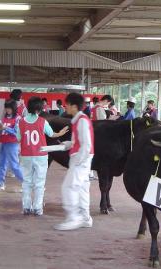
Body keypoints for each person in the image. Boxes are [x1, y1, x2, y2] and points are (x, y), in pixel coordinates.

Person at [17, 97, 68, 216]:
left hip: (25, 156)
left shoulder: (21, 122)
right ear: (40, 109)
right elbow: (52, 134)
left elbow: (18, 138)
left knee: (26, 182)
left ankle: (26, 207)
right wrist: (61, 133)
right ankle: (37, 208)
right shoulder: (42, 121)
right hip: (41, 155)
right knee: (39, 183)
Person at [54, 93, 94, 230]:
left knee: (68, 187)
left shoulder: (82, 120)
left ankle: (73, 217)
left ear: (74, 106)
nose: (65, 106)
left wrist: (78, 162)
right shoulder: (78, 120)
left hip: (80, 159)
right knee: (82, 189)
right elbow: (78, 141)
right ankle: (85, 217)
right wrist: (68, 144)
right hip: (81, 159)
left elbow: (86, 145)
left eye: (68, 104)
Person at [0, 99, 24, 193]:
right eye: (6, 108)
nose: (7, 110)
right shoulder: (4, 118)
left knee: (14, 166)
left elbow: (17, 132)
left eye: (9, 108)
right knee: (0, 164)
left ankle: (26, 184)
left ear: (13, 108)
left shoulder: (18, 119)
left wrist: (6, 128)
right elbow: (2, 130)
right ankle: (0, 184)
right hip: (3, 142)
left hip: (12, 144)